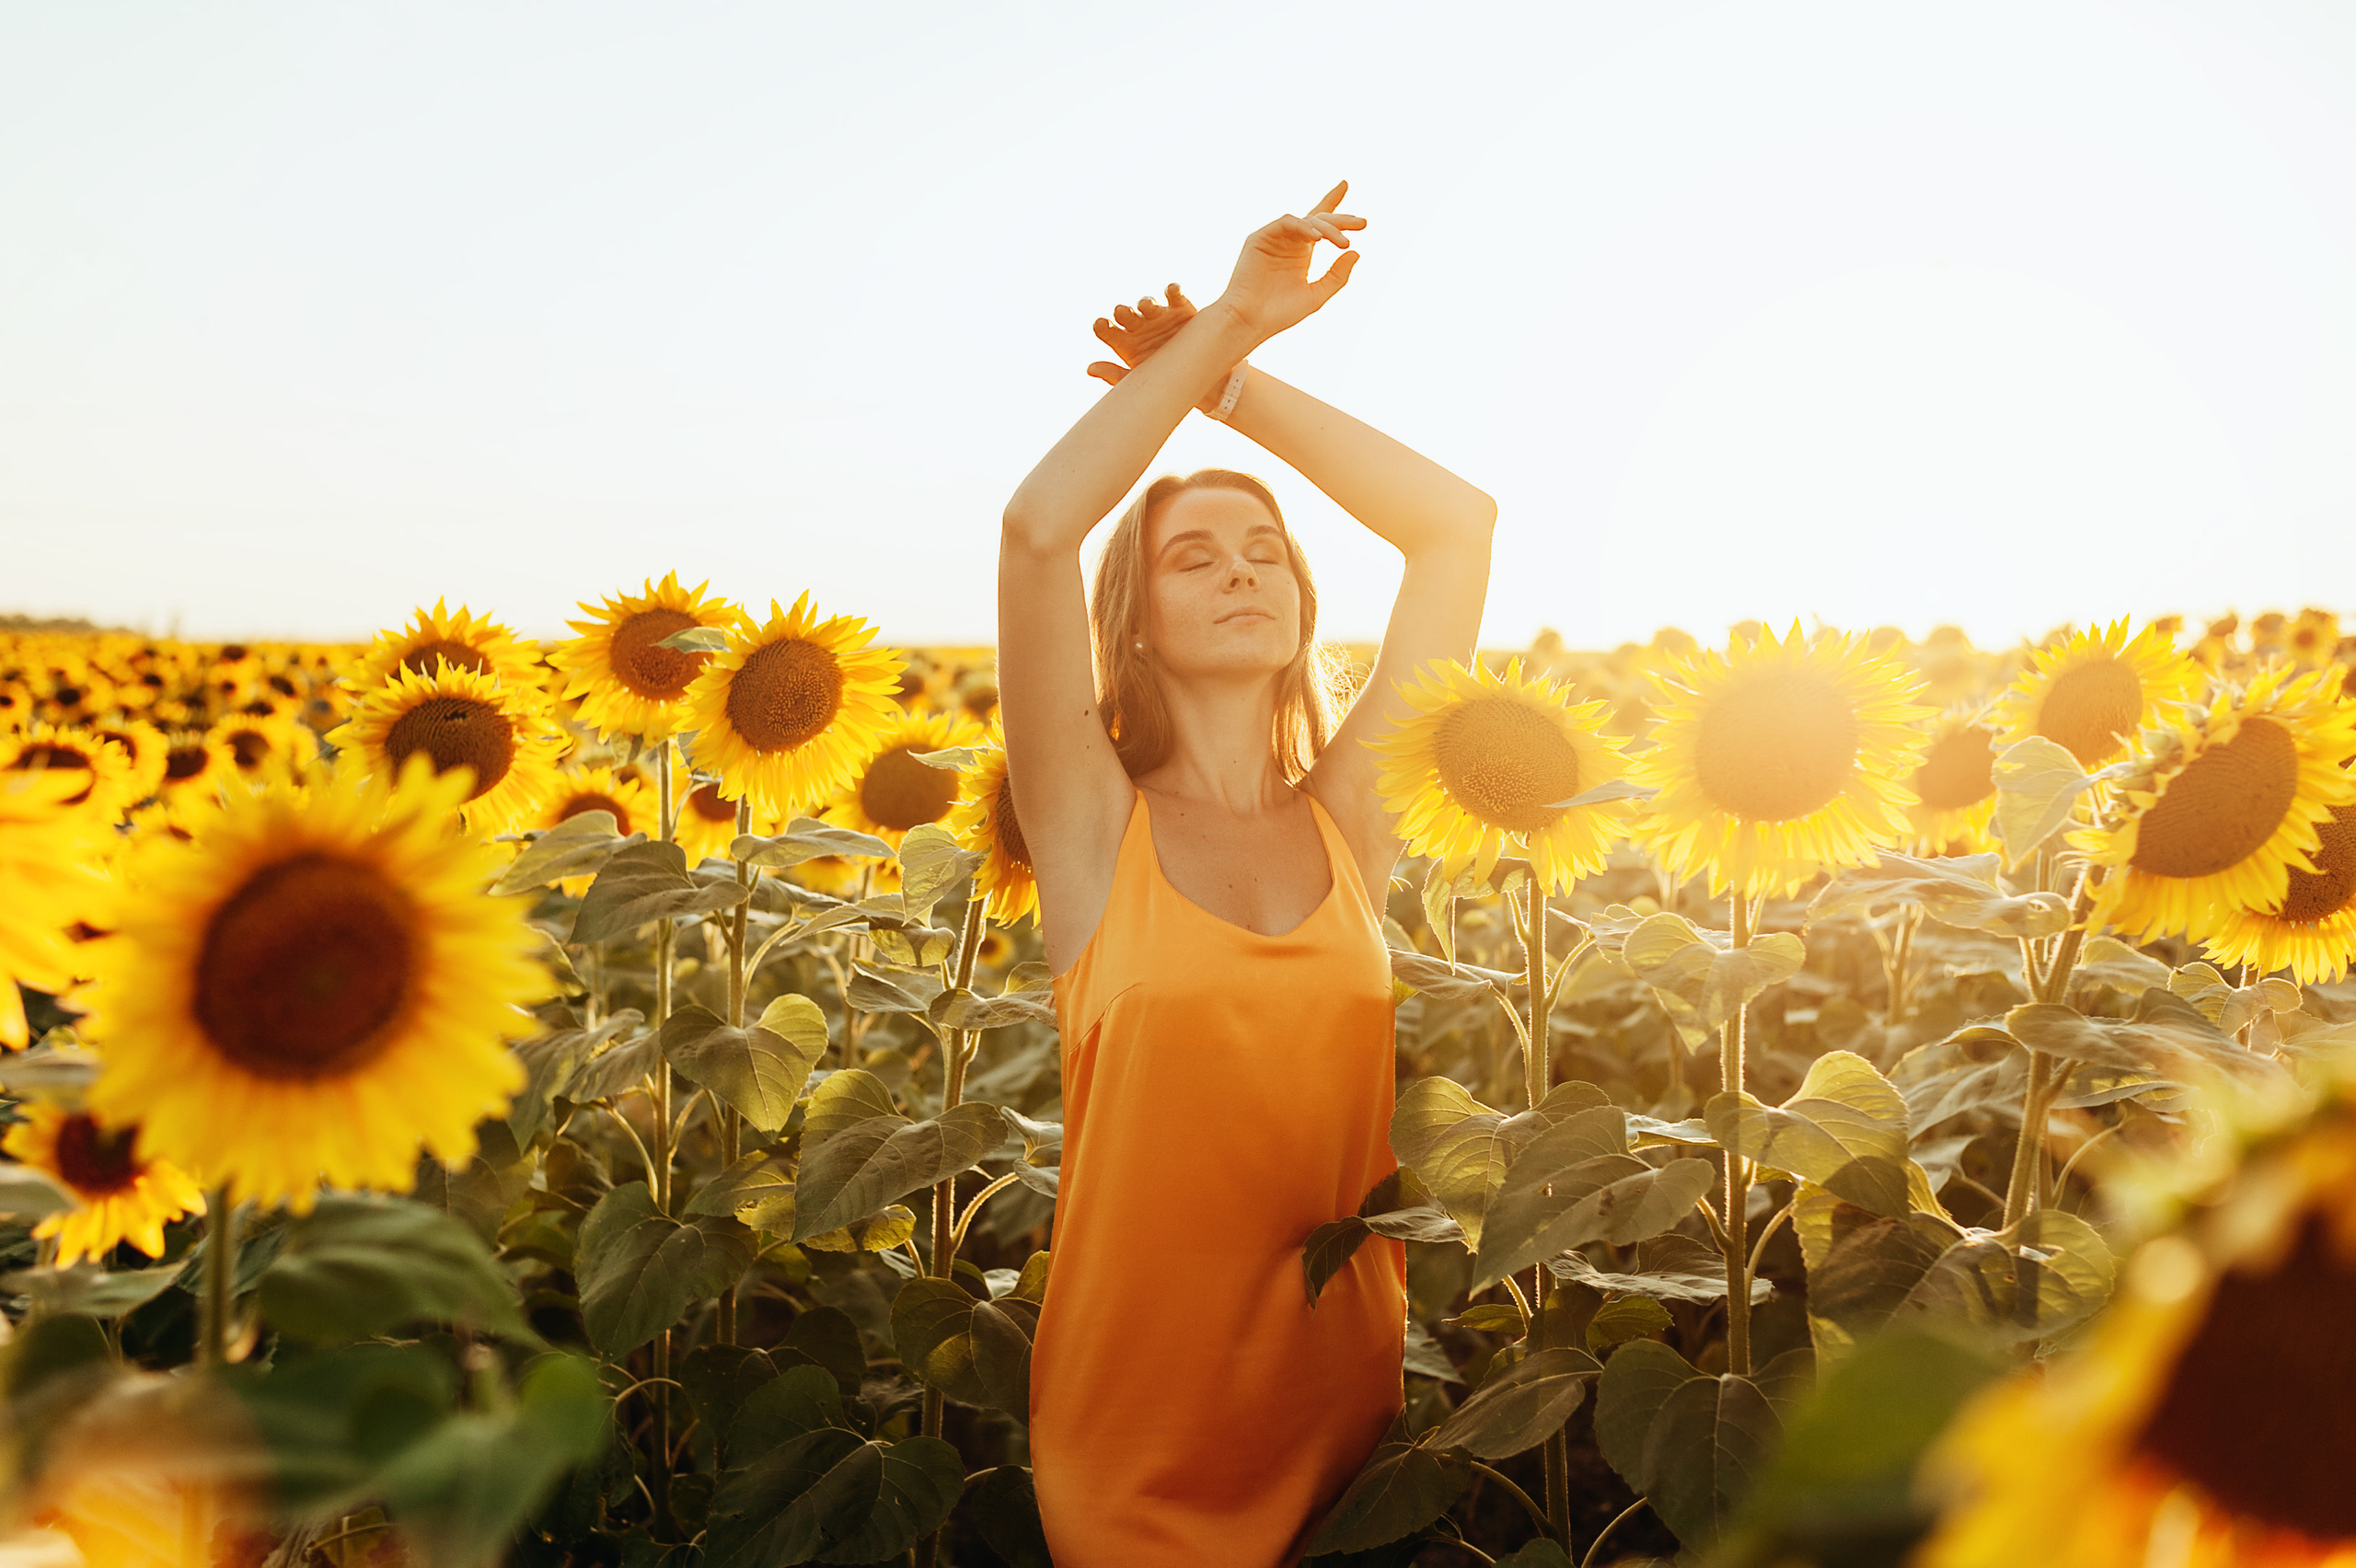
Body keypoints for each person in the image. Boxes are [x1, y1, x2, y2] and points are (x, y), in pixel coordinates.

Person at [997, 180, 1497, 1567]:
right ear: (1135, 626)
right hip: (1141, 1443)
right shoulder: (1093, 823)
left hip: (1352, 1428)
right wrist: (1222, 318)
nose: (1242, 571)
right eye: (1194, 557)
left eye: (1267, 550)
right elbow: (1039, 531)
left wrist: (1239, 388)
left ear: (1301, 606)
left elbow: (1457, 527)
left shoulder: (1353, 821)